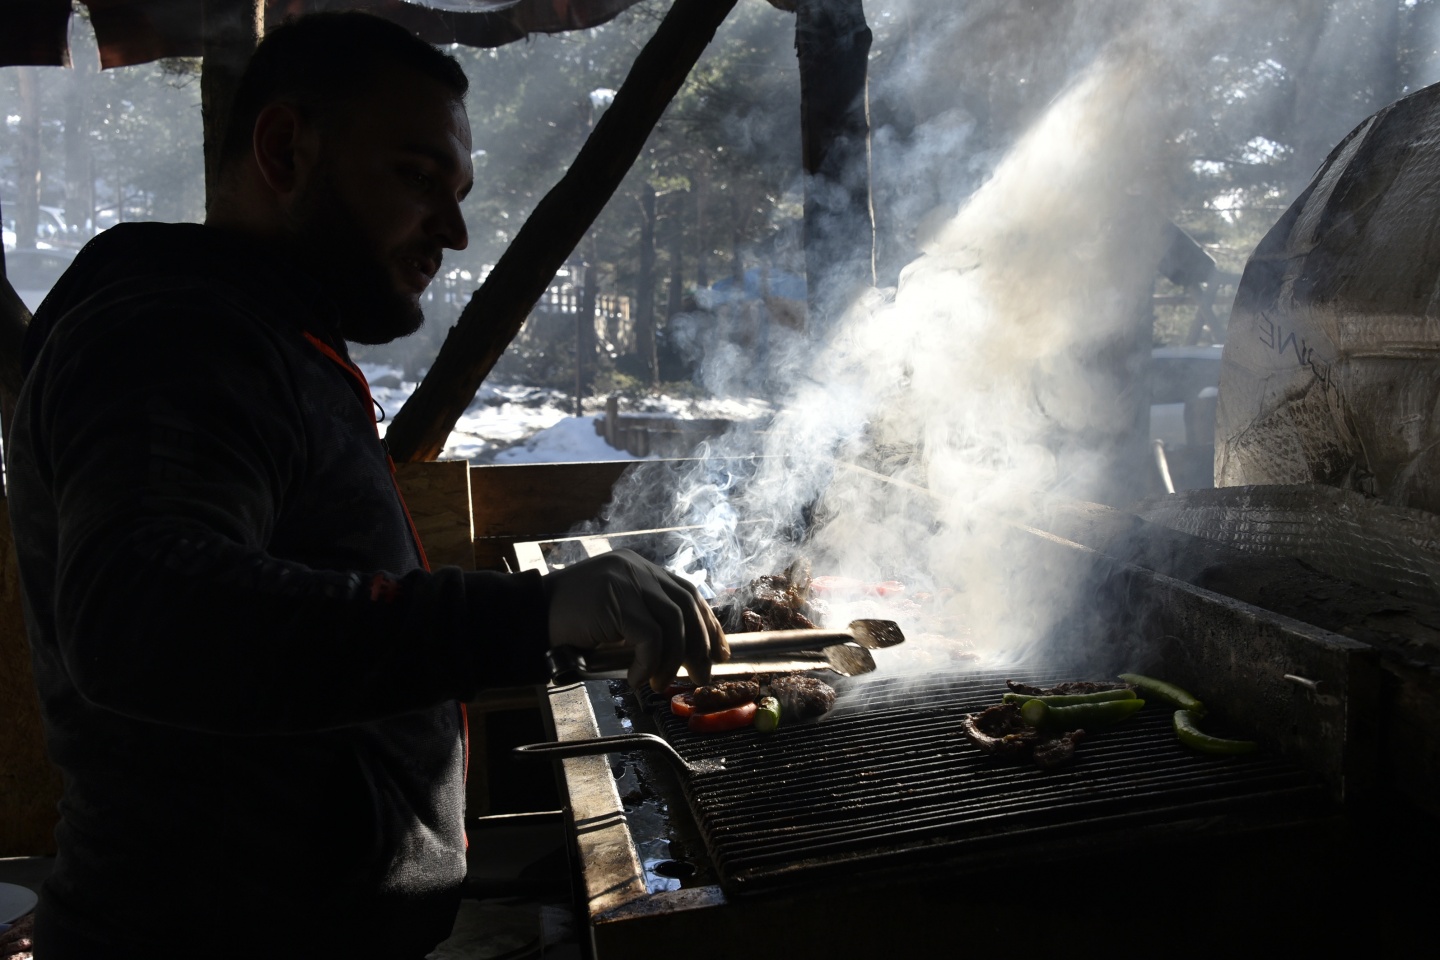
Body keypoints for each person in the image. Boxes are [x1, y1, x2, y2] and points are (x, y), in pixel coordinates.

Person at [5, 12, 725, 958]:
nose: (455, 232)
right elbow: (148, 617)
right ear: (284, 147)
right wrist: (532, 615)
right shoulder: (175, 340)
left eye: (458, 192)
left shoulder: (255, 332)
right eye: (418, 178)